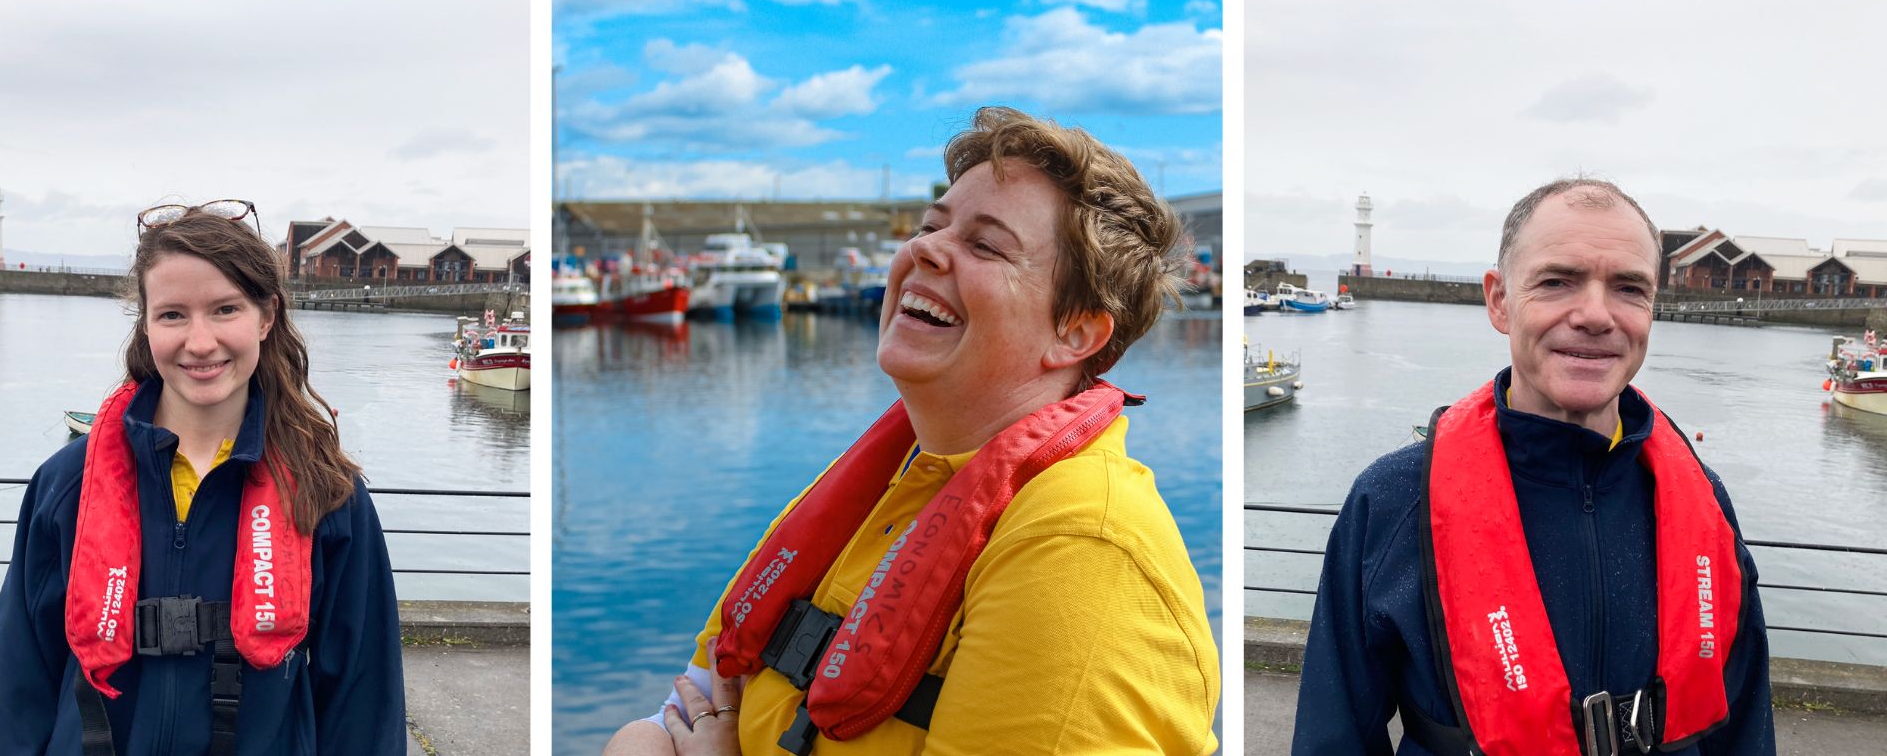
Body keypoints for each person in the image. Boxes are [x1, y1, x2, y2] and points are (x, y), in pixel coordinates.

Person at [600, 107, 1219, 755]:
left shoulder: (1081, 553)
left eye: (984, 244)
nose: (923, 247)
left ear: (1078, 332)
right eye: (931, 225)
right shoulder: (882, 487)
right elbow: (671, 720)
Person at [1292, 179, 1775, 756]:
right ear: (1499, 300)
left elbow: (1745, 725)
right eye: (1556, 281)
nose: (1596, 315)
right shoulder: (1395, 501)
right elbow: (1333, 732)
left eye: (1628, 288)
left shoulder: (1703, 500)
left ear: (1653, 307)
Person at [0, 203, 405, 756]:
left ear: (266, 317)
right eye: (172, 314)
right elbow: (13, 684)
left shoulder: (326, 493)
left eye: (224, 310)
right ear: (145, 326)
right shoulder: (65, 485)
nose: (199, 342)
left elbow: (363, 697)